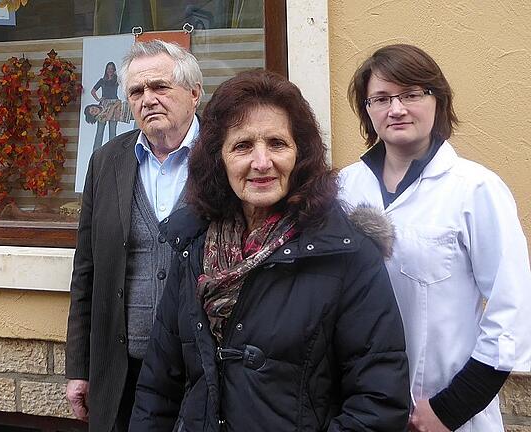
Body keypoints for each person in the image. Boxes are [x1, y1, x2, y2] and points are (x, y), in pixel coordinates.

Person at [130, 69, 410, 431]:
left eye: (277, 143)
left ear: (301, 154)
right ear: (219, 158)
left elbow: (378, 402)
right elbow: (158, 388)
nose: (261, 162)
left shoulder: (346, 253)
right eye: (243, 146)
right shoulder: (194, 245)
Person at [339, 44, 531, 432]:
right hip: (360, 409)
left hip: (443, 413)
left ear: (437, 99)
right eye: (381, 98)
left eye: (411, 94)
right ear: (367, 109)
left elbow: (513, 310)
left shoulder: (476, 189)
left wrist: (451, 407)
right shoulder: (343, 188)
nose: (396, 109)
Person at [66, 39, 203, 432]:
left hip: (204, 371)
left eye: (160, 87)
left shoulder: (226, 156)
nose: (148, 99)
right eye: (137, 91)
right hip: (123, 373)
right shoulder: (107, 161)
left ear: (193, 93)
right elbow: (86, 271)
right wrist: (79, 367)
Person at [90, 61, 120, 151]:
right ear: (106, 70)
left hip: (114, 104)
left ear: (114, 70)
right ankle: (96, 151)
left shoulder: (117, 80)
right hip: (103, 105)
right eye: (108, 68)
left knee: (112, 130)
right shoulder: (102, 80)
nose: (110, 70)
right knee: (100, 130)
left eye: (112, 68)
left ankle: (112, 151)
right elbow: (93, 91)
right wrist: (98, 99)